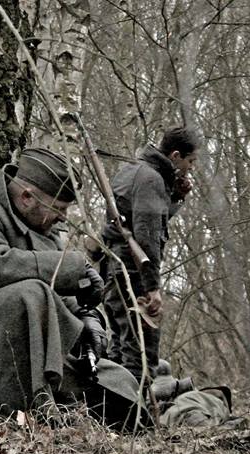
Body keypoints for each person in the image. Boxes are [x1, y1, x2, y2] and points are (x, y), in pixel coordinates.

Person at [0, 147, 145, 427]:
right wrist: (72, 266)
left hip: (31, 352)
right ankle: (36, 407)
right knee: (29, 294)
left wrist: (88, 318)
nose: (63, 218)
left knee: (119, 381)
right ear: (27, 197)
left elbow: (58, 294)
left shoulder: (41, 230)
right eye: (59, 209)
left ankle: (84, 413)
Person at [101, 126, 200, 379]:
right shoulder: (151, 179)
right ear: (176, 155)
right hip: (133, 271)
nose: (191, 168)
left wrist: (176, 196)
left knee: (120, 350)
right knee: (141, 355)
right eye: (190, 161)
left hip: (114, 268)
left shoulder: (134, 170)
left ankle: (113, 403)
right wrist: (152, 287)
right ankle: (136, 404)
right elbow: (147, 237)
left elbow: (149, 220)